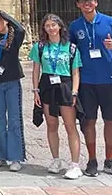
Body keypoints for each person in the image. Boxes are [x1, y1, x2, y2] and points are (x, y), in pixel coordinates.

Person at [69, 0, 112, 178]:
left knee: (110, 120)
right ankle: (92, 159)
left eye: (89, 0)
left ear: (96, 2)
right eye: (82, 1)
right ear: (78, 5)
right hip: (87, 81)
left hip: (109, 79)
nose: (86, 3)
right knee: (89, 121)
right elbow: (70, 50)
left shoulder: (110, 21)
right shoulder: (74, 26)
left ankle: (110, 160)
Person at [31, 13, 83, 180]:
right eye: (47, 26)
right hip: (47, 85)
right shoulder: (40, 47)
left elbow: (76, 73)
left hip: (65, 85)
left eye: (53, 25)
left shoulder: (71, 47)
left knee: (70, 125)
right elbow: (36, 69)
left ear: (60, 26)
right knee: (51, 124)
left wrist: (74, 91)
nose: (51, 28)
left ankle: (75, 165)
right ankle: (56, 160)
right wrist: (35, 90)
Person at [0, 10, 26, 171]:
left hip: (12, 81)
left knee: (14, 120)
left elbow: (21, 29)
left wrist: (5, 15)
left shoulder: (14, 37)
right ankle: (0, 155)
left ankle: (16, 157)